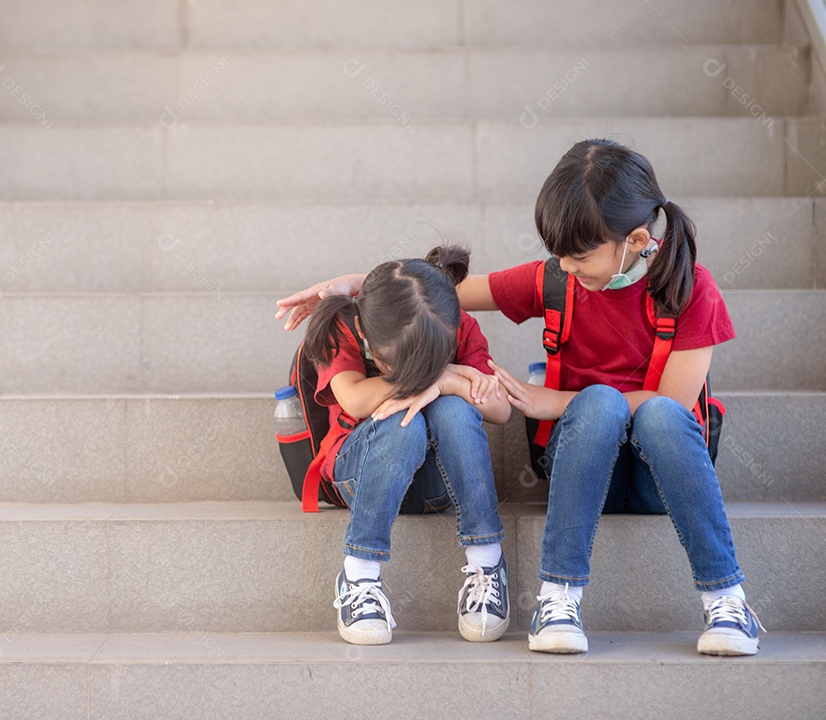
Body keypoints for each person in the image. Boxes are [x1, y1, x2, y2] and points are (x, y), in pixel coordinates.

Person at [276, 139, 761, 657]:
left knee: (635, 409)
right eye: (558, 256)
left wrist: (554, 401)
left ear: (636, 239)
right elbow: (437, 294)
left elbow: (674, 407)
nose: (565, 268)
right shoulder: (559, 279)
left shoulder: (692, 290)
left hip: (655, 471)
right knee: (598, 406)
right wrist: (360, 285)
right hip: (583, 451)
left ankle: (726, 599)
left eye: (577, 256)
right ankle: (557, 596)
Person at [298, 244, 512, 645]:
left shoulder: (455, 322)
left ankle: (487, 563)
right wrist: (445, 376)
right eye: (398, 363)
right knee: (401, 419)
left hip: (434, 484)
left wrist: (446, 384)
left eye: (434, 359)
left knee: (454, 411)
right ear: (365, 333)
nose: (422, 374)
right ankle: (359, 574)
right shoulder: (345, 326)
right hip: (358, 476)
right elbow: (356, 399)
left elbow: (500, 410)